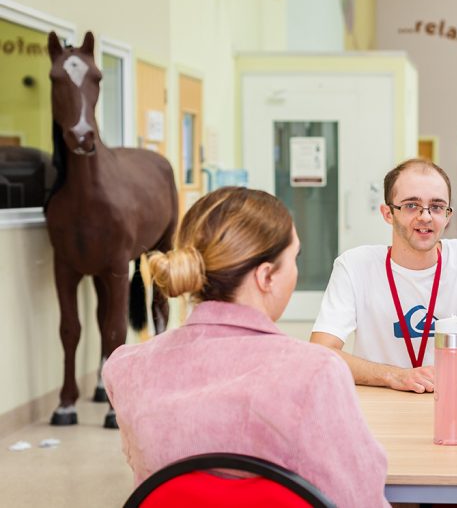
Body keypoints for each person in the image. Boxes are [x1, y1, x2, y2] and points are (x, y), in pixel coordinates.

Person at [103, 187, 388, 507]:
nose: (296, 271)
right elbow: (359, 498)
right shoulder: (315, 372)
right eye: (294, 258)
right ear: (266, 276)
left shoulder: (126, 367)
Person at [310, 159, 457, 392]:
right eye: (411, 205)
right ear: (388, 213)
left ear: (447, 216)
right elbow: (320, 354)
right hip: (384, 410)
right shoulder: (354, 266)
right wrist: (394, 376)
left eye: (436, 207)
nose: (425, 216)